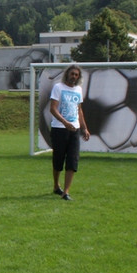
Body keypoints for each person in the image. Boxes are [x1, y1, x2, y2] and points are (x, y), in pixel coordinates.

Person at [49, 64, 90, 201]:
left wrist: (84, 128)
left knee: (72, 160)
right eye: (72, 74)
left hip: (74, 130)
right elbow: (53, 109)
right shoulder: (58, 88)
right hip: (59, 129)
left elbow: (79, 110)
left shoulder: (78, 90)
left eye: (76, 75)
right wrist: (65, 122)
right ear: (67, 74)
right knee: (58, 159)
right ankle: (56, 185)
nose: (74, 77)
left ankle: (66, 192)